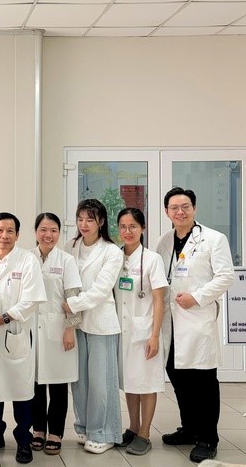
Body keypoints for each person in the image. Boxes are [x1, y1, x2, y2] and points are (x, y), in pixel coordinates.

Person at [156, 187, 234, 463]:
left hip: (197, 320)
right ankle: (189, 429)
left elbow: (226, 276)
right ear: (167, 212)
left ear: (194, 208)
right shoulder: (164, 241)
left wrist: (197, 297)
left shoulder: (214, 239)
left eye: (185, 206)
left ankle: (208, 438)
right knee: (179, 379)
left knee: (203, 383)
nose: (180, 212)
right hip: (171, 323)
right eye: (174, 208)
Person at [0, 212, 46, 464]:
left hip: (15, 333)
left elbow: (32, 300)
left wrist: (4, 318)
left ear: (18, 235)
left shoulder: (28, 260)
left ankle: (23, 439)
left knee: (21, 390)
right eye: (0, 231)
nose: (5, 236)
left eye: (10, 231)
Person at [63, 199, 124, 454]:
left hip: (101, 322)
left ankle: (105, 432)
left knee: (101, 382)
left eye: (90, 219)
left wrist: (72, 304)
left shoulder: (112, 252)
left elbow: (101, 290)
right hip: (76, 322)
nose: (84, 224)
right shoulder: (70, 246)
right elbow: (66, 283)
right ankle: (85, 426)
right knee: (79, 381)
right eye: (80, 219)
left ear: (101, 221)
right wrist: (70, 312)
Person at [115, 208, 168, 456]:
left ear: (143, 229)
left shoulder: (152, 259)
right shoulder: (116, 257)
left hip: (145, 331)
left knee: (146, 382)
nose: (127, 231)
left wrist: (155, 335)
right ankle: (133, 427)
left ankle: (145, 433)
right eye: (123, 226)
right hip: (122, 330)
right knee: (130, 381)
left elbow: (159, 300)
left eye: (133, 226)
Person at [30, 213, 82, 456]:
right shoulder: (27, 258)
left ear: (59, 233)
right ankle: (38, 430)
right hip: (32, 329)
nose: (48, 235)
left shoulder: (66, 260)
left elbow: (74, 297)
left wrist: (70, 329)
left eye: (53, 230)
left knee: (59, 385)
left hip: (59, 329)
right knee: (36, 384)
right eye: (43, 229)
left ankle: (56, 433)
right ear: (35, 232)